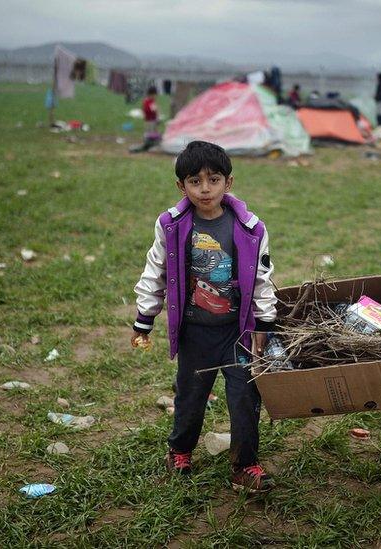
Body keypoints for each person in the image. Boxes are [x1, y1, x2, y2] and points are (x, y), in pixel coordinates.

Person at [132, 140, 278, 494]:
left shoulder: (250, 228)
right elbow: (157, 270)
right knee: (190, 395)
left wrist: (264, 322)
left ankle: (245, 465)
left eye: (213, 180)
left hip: (237, 333)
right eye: (195, 182)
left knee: (244, 396)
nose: (205, 189)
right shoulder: (172, 225)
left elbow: (262, 278)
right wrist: (144, 318)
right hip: (194, 332)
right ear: (181, 186)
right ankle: (180, 450)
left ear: (228, 183)